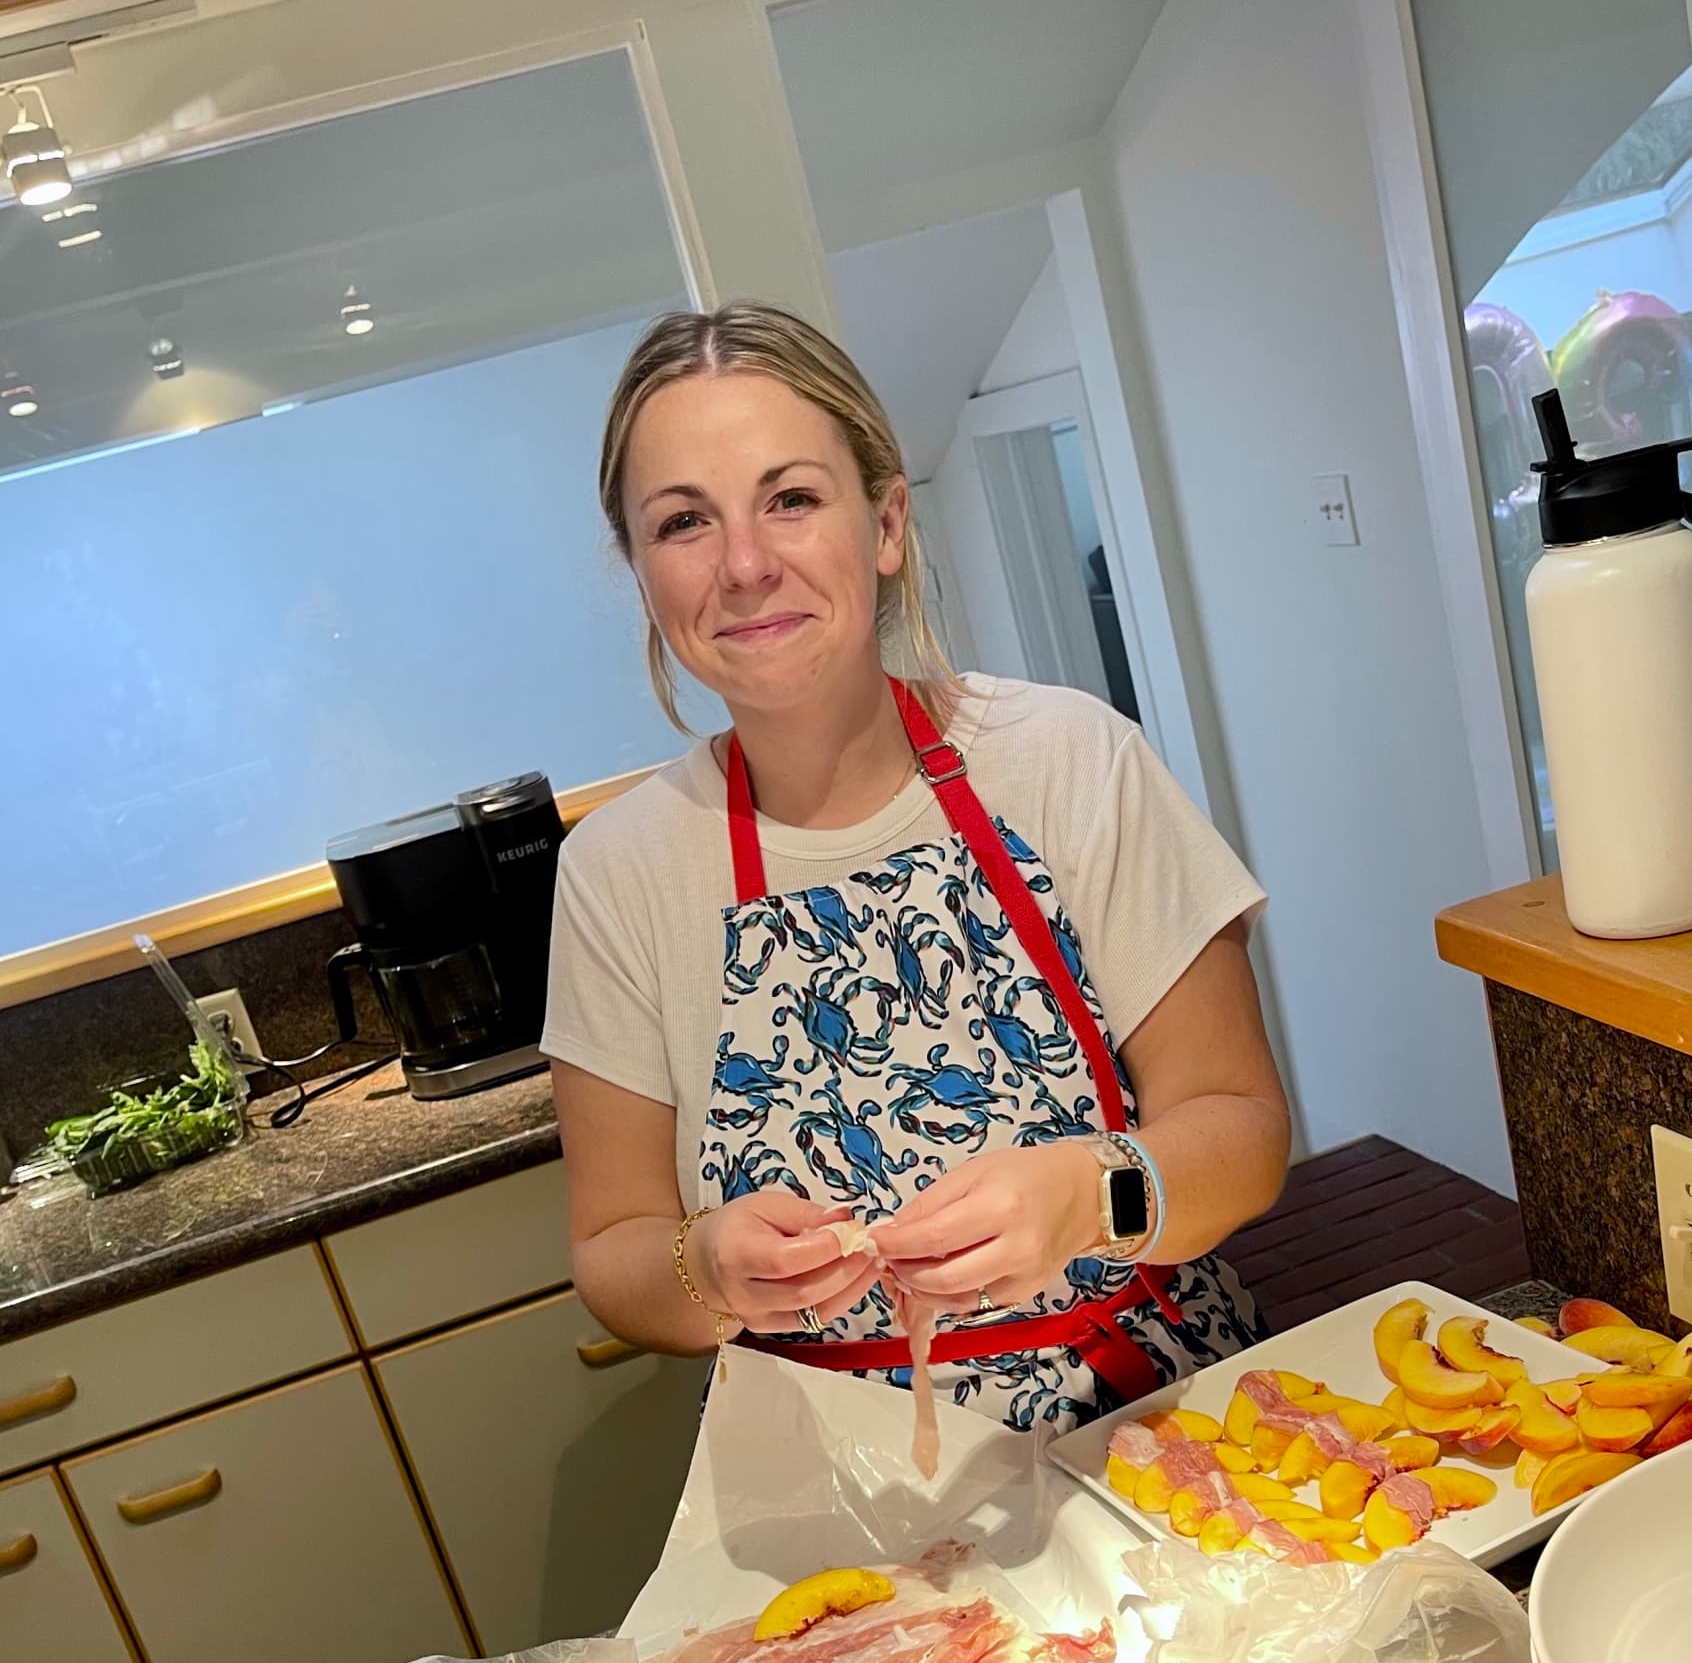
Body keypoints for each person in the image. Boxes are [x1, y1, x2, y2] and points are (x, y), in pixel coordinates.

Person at [542, 303, 1290, 1435]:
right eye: (683, 523)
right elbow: (613, 1253)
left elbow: (1239, 1131)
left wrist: (1092, 1193)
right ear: (640, 569)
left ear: (885, 524)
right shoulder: (616, 872)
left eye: (790, 499)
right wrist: (707, 1269)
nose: (744, 565)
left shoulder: (1066, 759)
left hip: (1147, 1419)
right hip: (826, 1475)